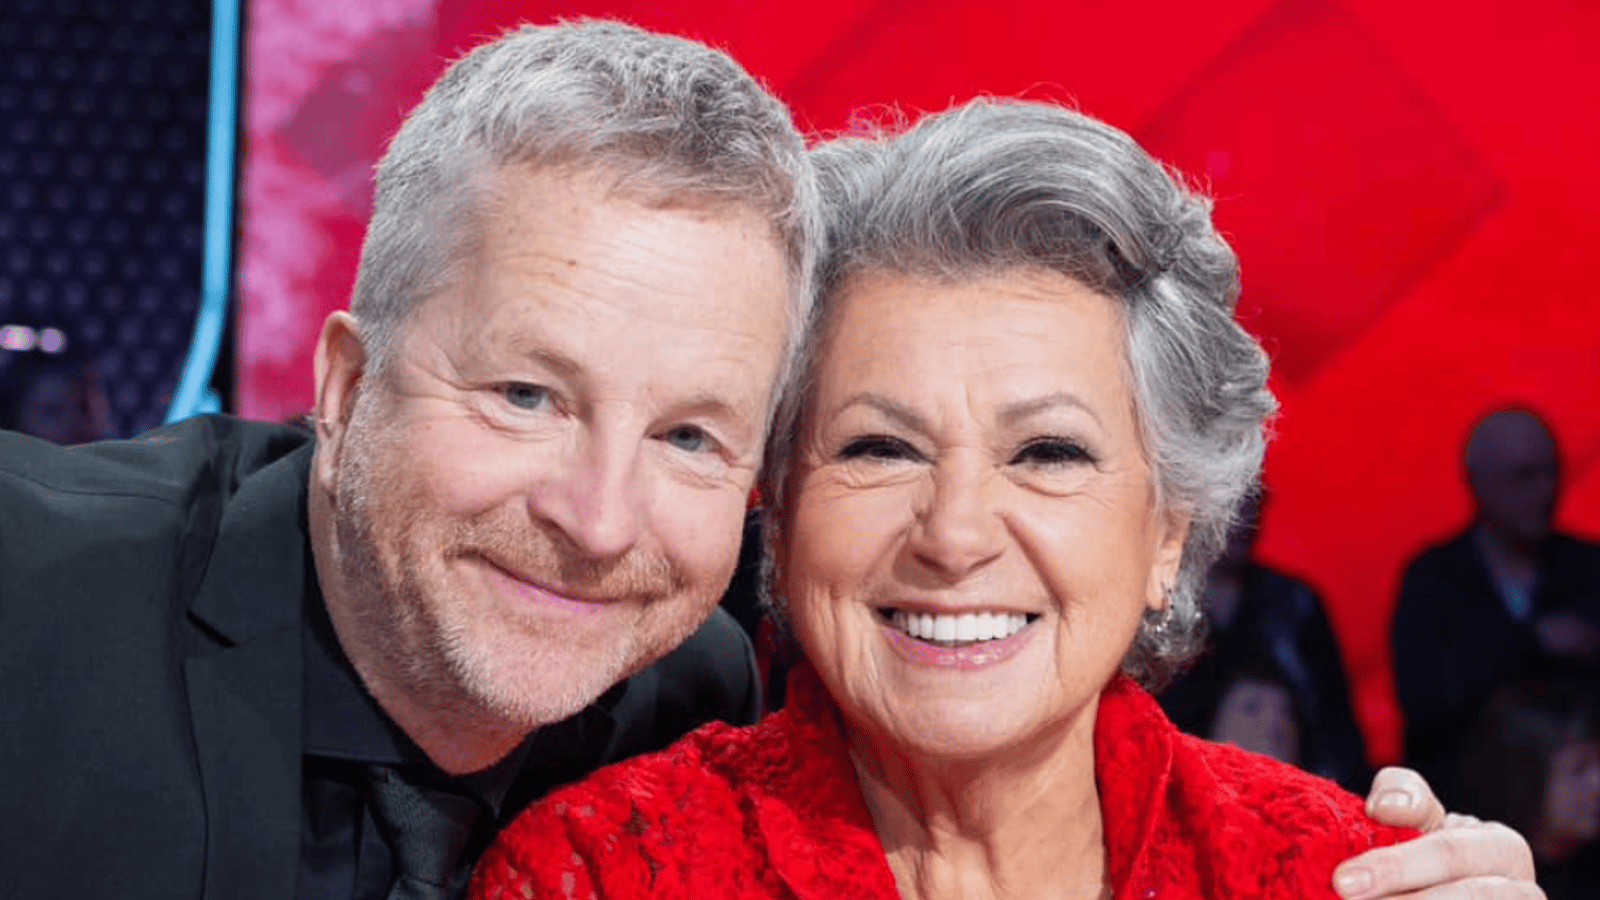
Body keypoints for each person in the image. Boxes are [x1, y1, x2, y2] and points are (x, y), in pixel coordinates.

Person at [471, 99, 1542, 899]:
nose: (954, 533)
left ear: (1169, 532)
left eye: (1048, 454)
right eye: (880, 448)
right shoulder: (599, 870)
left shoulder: (1337, 875)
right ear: (781, 512)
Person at [0, 21, 816, 900]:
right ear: (348, 392)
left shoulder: (698, 702)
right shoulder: (27, 597)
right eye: (524, 396)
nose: (600, 523)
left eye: (688, 437)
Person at [1394, 408, 1600, 800]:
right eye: (1524, 475)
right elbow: (1426, 703)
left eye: (1551, 472)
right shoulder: (1434, 579)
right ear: (1478, 482)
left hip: (1579, 810)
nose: (1543, 491)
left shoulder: (1588, 570)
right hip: (1462, 802)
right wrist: (1532, 642)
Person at [1160, 491, 1369, 789]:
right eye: (1229, 507)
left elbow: (1336, 732)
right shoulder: (1152, 608)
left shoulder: (1295, 605)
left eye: (1252, 505)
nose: (1243, 521)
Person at [1456, 677, 1600, 899]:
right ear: (1531, 778)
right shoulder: (1482, 874)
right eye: (1578, 769)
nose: (1596, 783)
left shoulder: (1589, 875)